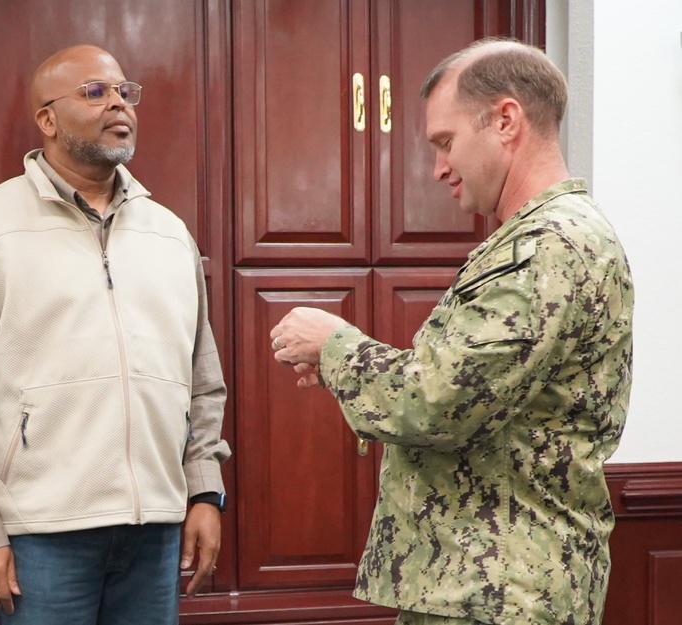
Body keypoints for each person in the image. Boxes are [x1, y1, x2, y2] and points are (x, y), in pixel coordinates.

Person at [269, 38, 633, 625]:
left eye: (445, 142)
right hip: (490, 586)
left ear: (506, 121)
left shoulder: (547, 246)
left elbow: (438, 401)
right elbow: (471, 383)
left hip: (498, 594)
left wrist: (334, 346)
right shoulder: (545, 239)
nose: (438, 168)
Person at [0, 44, 230, 625]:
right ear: (47, 119)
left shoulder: (170, 233)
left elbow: (202, 381)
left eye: (124, 92)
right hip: (41, 535)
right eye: (94, 92)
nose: (118, 103)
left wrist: (203, 493)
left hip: (157, 532)